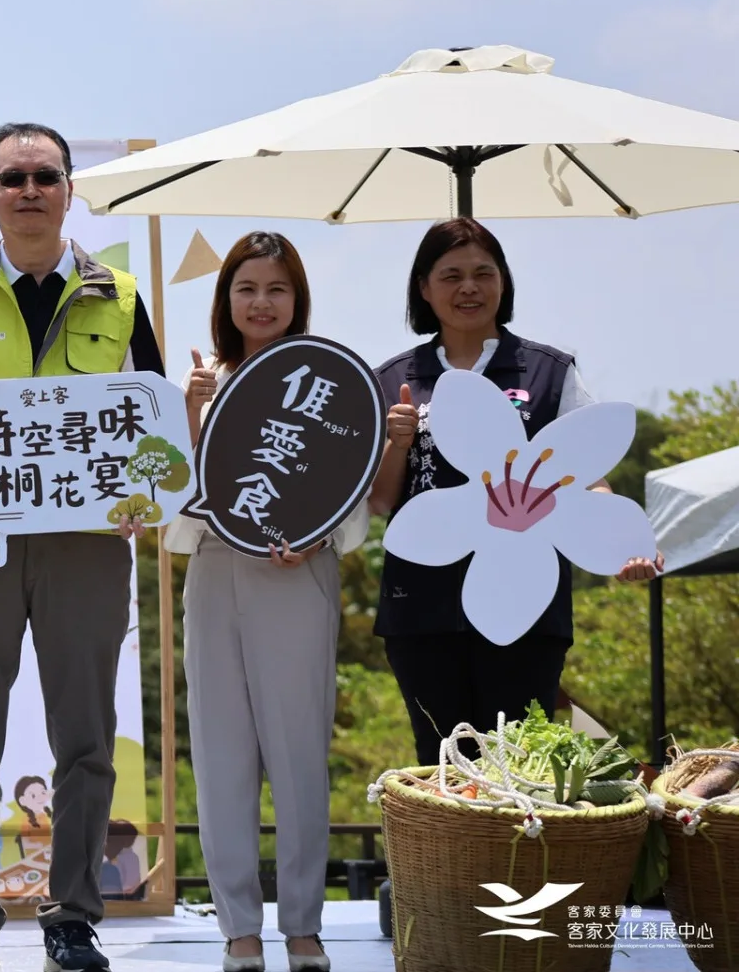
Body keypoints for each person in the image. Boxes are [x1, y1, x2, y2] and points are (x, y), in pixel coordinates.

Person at [0, 123, 166, 972]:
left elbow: (154, 430)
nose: (28, 190)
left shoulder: (120, 293)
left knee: (86, 736)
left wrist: (144, 498)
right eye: (11, 177)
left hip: (86, 545)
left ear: (68, 190)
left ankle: (73, 914)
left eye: (44, 176)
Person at [367, 218, 661, 764]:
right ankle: (448, 856)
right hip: (421, 610)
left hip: (527, 604)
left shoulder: (551, 371)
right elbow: (381, 502)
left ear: (504, 283)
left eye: (484, 273)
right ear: (424, 288)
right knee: (443, 768)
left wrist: (622, 543)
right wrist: (398, 444)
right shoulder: (391, 380)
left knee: (518, 767)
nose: (469, 288)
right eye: (450, 275)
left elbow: (588, 473)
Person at [167, 232, 352, 972]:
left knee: (300, 750)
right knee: (220, 754)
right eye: (247, 288)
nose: (262, 302)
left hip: (298, 569)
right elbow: (174, 495)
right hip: (215, 567)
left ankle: (304, 926)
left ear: (296, 298)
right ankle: (239, 927)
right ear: (226, 300)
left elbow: (349, 476)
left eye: (276, 288)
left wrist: (315, 533)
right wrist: (189, 413)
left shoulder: (330, 378)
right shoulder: (202, 378)